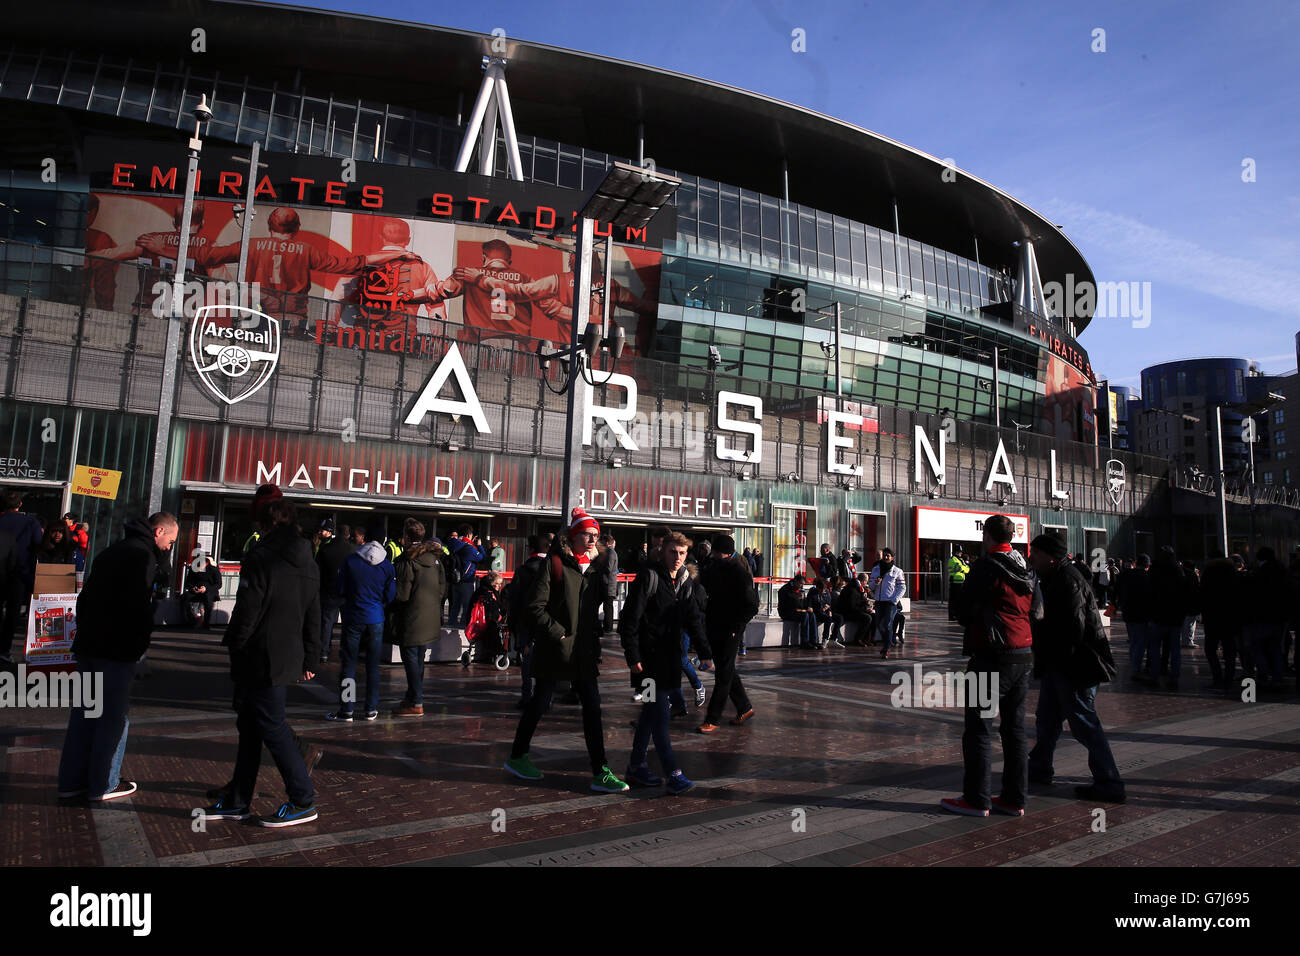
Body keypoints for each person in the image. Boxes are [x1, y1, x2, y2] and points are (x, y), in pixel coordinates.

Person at [201, 499, 320, 827]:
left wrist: (235, 645)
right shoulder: (307, 559)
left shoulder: (261, 556)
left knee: (270, 724)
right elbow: (314, 611)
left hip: (258, 652)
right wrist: (311, 655)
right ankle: (238, 799)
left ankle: (302, 798)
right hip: (286, 652)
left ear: (264, 525)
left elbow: (248, 609)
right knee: (252, 726)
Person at [504, 508, 628, 794]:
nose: (592, 540)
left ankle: (601, 770)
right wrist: (557, 632)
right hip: (556, 648)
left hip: (582, 651)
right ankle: (518, 756)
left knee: (593, 709)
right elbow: (535, 605)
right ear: (573, 535)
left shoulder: (595, 568)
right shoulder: (555, 563)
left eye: (595, 536)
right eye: (587, 534)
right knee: (540, 703)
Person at [57, 512, 179, 802]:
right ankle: (105, 782)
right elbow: (138, 605)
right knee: (113, 717)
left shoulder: (112, 550)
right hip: (117, 647)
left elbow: (84, 599)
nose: (168, 548)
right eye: (170, 542)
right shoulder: (142, 557)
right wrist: (138, 645)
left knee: (85, 714)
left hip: (89, 644)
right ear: (159, 531)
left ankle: (72, 780)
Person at [941, 515, 1035, 818]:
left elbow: (964, 610)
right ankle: (1013, 798)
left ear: (987, 536)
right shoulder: (1023, 566)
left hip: (991, 655)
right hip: (1023, 652)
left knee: (979, 730)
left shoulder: (986, 566)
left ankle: (976, 799)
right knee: (1015, 730)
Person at [1026, 534, 1125, 804]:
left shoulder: (1067, 580)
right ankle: (1039, 767)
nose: (1031, 557)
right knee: (1047, 719)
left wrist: (1039, 631)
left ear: (1051, 556)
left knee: (1083, 722)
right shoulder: (1054, 577)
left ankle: (1109, 781)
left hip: (1074, 665)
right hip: (1059, 664)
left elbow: (1072, 629)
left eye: (1035, 553)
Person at [620, 532, 712, 793]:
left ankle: (636, 767)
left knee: (650, 716)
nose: (677, 558)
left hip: (671, 661)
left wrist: (705, 652)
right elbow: (630, 620)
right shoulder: (649, 578)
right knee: (659, 716)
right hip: (648, 665)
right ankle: (673, 774)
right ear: (663, 552)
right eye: (673, 552)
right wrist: (633, 656)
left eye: (682, 553)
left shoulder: (685, 582)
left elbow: (693, 618)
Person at [327, 524, 396, 721]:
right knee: (373, 666)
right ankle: (371, 708)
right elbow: (390, 595)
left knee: (348, 663)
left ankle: (346, 708)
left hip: (353, 616)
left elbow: (339, 588)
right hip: (375, 618)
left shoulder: (351, 561)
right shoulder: (387, 565)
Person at [697, 535, 758, 734]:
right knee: (727, 669)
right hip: (715, 625)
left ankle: (712, 718)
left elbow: (751, 605)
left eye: (717, 552)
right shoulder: (714, 566)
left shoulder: (738, 571)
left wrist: (736, 626)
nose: (714, 554)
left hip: (731, 629)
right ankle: (744, 707)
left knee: (723, 674)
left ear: (727, 552)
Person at [391, 519, 444, 717]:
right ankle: (413, 696)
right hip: (429, 617)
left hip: (412, 617)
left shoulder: (408, 560)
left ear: (406, 536)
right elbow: (442, 588)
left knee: (411, 660)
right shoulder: (434, 559)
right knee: (419, 659)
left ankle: (416, 701)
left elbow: (402, 594)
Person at [506, 533, 552, 708]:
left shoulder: (524, 570)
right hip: (548, 622)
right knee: (546, 660)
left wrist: (513, 625)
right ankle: (544, 697)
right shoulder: (553, 569)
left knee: (527, 660)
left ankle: (527, 696)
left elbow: (514, 600)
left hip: (526, 621)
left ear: (532, 549)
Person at [0, 489, 42, 664]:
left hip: (1, 569)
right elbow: (39, 543)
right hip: (19, 572)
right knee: (12, 613)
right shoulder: (30, 522)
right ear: (20, 504)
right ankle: (3, 649)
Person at [1244, 547, 1291, 689]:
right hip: (1279, 616)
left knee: (1257, 646)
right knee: (1275, 648)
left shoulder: (1259, 574)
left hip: (1261, 616)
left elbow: (1252, 596)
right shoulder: (1282, 572)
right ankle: (1278, 677)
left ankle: (1263, 675)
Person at [1145, 547, 1190, 690]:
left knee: (1154, 648)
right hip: (1175, 617)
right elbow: (1184, 594)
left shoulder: (1155, 570)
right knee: (1175, 649)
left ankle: (1154, 676)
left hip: (1158, 616)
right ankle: (1174, 678)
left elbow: (1149, 592)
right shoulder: (1178, 571)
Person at [1199, 554, 1243, 694]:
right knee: (1230, 652)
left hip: (1213, 620)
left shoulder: (1208, 580)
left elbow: (1202, 598)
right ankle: (1228, 679)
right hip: (1231, 620)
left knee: (1211, 650)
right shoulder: (1234, 579)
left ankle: (1218, 678)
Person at [314, 520, 354, 663]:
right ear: (348, 535)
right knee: (347, 624)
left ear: (336, 533)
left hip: (329, 591)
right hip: (346, 593)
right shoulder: (352, 551)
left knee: (327, 623)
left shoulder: (326, 549)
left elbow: (317, 570)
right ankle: (346, 651)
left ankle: (324, 651)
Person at [1117, 554, 1152, 683]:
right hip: (1141, 614)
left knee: (1133, 640)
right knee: (1141, 642)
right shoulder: (1147, 577)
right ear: (1147, 565)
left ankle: (1134, 664)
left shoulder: (1126, 574)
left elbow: (1118, 589)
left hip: (1128, 612)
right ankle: (1136, 667)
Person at [868, 548, 907, 658]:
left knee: (887, 624)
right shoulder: (876, 569)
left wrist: (894, 600)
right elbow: (870, 586)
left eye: (888, 556)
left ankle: (886, 648)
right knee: (880, 625)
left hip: (890, 602)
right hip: (879, 601)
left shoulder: (897, 571)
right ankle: (888, 643)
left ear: (892, 558)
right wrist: (875, 583)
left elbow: (902, 588)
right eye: (884, 555)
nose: (885, 557)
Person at [446, 525, 486, 628]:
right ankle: (462, 627)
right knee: (466, 606)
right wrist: (479, 546)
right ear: (469, 534)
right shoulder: (469, 548)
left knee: (455, 605)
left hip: (455, 580)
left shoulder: (453, 545)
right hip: (466, 581)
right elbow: (482, 558)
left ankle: (451, 624)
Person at [467, 569, 507, 663]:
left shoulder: (490, 591)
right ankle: (497, 652)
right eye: (497, 584)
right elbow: (491, 608)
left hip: (489, 618)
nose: (499, 586)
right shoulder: (485, 592)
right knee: (493, 630)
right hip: (484, 619)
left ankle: (494, 652)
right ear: (492, 583)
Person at [590, 533, 619, 634]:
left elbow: (608, 568)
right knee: (605, 606)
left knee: (607, 607)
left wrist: (598, 568)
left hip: (608, 584)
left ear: (606, 543)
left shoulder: (610, 553)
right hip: (606, 584)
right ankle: (606, 627)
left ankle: (608, 627)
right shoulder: (609, 552)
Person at [777, 574, 817, 648]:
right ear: (795, 581)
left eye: (803, 584)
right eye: (800, 583)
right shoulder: (785, 589)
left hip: (797, 610)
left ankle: (814, 641)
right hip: (787, 612)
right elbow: (790, 603)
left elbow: (803, 603)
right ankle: (805, 641)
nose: (801, 586)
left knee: (811, 614)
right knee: (805, 615)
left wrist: (808, 607)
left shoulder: (800, 590)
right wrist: (798, 598)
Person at [183, 554, 222, 628]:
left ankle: (206, 623)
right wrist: (193, 588)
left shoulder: (213, 570)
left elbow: (218, 584)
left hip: (209, 591)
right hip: (196, 591)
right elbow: (188, 582)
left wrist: (206, 588)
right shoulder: (194, 569)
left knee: (208, 599)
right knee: (185, 597)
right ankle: (191, 621)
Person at [837, 574, 875, 645]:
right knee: (867, 618)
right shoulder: (852, 589)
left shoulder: (858, 588)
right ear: (863, 581)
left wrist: (866, 605)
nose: (867, 583)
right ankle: (858, 638)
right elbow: (852, 606)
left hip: (855, 610)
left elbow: (859, 601)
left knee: (873, 616)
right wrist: (865, 609)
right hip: (847, 612)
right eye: (866, 581)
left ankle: (867, 638)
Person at [811, 578, 842, 648]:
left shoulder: (826, 592)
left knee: (839, 618)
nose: (822, 591)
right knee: (828, 619)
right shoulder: (813, 592)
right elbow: (811, 605)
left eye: (824, 590)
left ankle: (833, 639)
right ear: (817, 588)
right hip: (817, 613)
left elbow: (829, 603)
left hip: (826, 611)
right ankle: (825, 639)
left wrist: (829, 610)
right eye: (821, 589)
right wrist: (821, 609)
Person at [947, 548, 970, 621]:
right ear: (956, 552)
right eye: (960, 552)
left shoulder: (960, 560)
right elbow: (960, 568)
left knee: (959, 600)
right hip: (954, 582)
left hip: (961, 582)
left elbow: (968, 569)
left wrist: (964, 568)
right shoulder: (953, 559)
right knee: (953, 600)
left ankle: (956, 614)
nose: (961, 553)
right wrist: (964, 568)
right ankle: (952, 615)